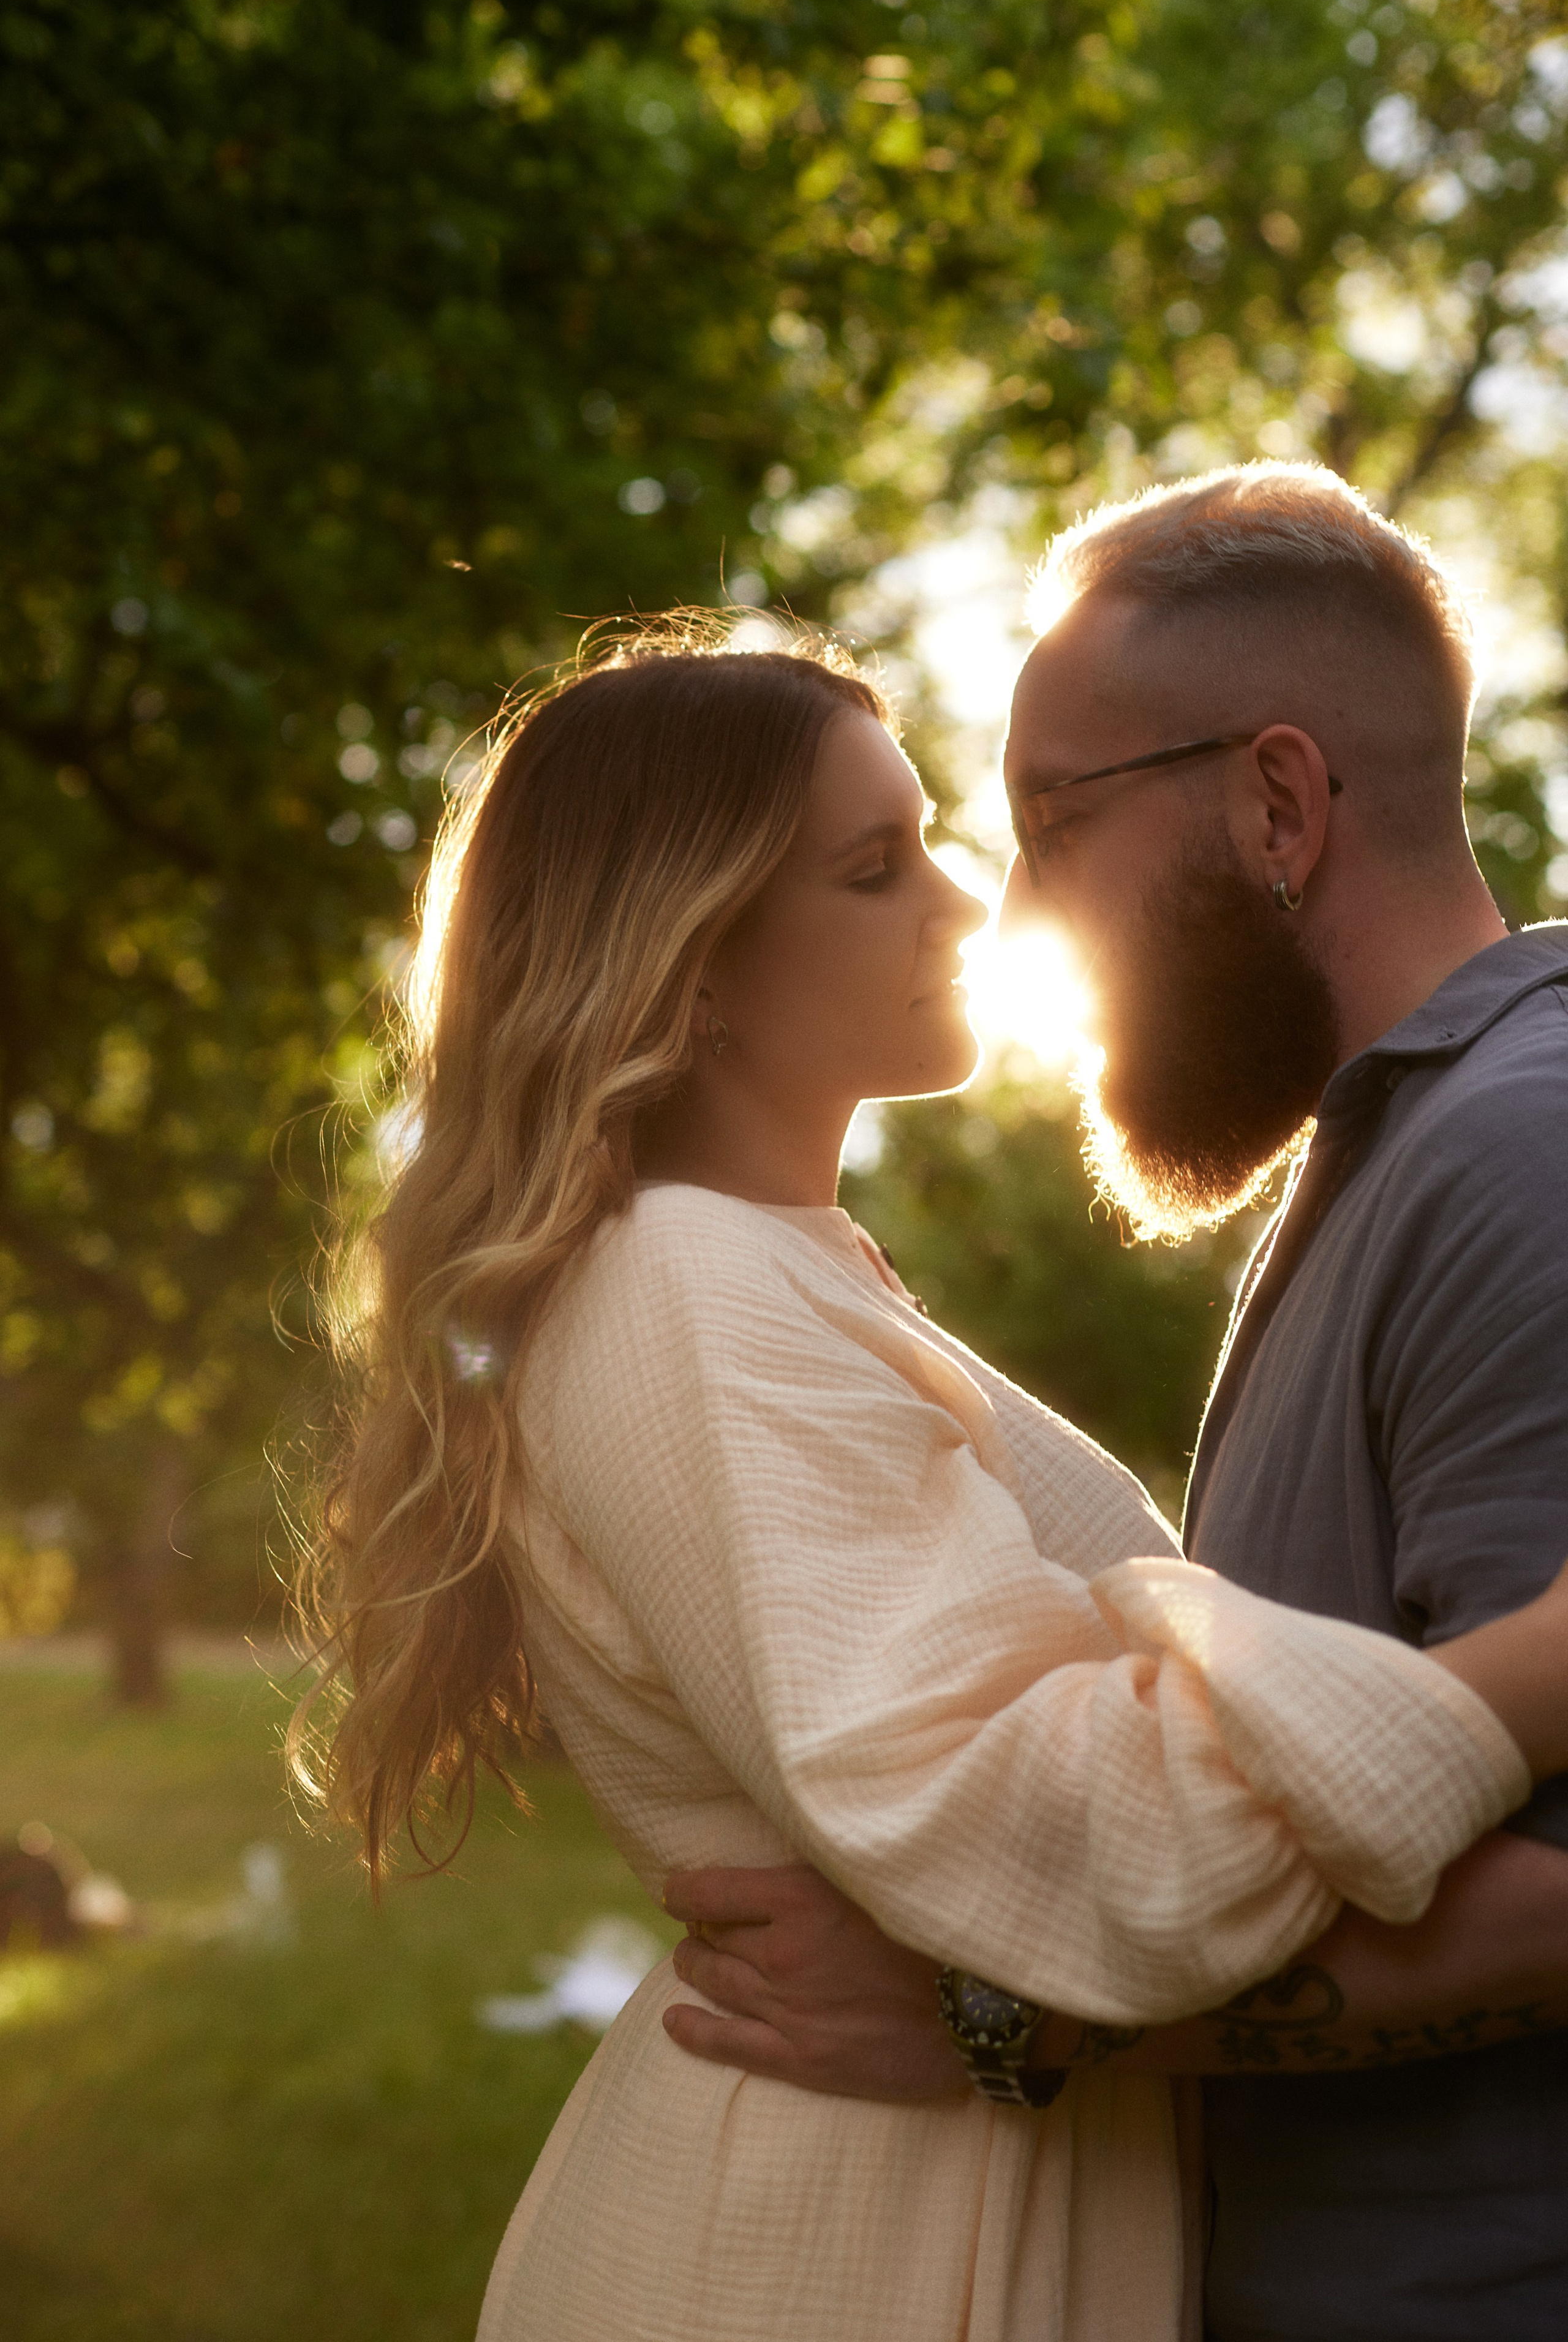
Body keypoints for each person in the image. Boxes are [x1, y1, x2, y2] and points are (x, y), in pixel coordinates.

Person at [292, 612, 1568, 2342]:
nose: (969, 906)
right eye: (878, 869)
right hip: (834, 2246)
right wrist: (1543, 1663)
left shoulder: (781, 1275)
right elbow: (1099, 1833)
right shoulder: (685, 1289)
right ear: (696, 957)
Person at [662, 467, 1568, 2340]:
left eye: (1052, 824)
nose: (1012, 916)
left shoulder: (1522, 1161)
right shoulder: (1391, 1160)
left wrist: (1004, 2013)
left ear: (1281, 801)